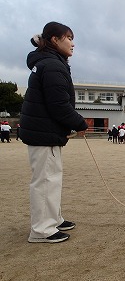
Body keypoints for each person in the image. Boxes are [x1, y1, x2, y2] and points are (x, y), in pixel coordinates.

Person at [20, 22, 88, 243]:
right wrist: (80, 123)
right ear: (54, 40)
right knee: (45, 180)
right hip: (43, 132)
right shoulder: (51, 65)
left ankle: (53, 218)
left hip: (47, 132)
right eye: (68, 37)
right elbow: (59, 105)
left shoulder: (50, 63)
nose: (72, 43)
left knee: (52, 178)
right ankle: (41, 229)